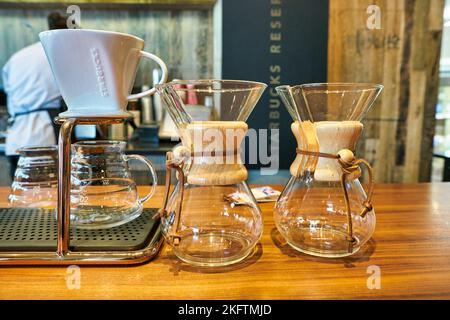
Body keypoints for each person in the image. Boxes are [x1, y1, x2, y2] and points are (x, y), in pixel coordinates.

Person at [2, 12, 68, 179]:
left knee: (21, 197)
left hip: (16, 139)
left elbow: (8, 91)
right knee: (47, 199)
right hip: (44, 138)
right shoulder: (59, 54)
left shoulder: (18, 57)